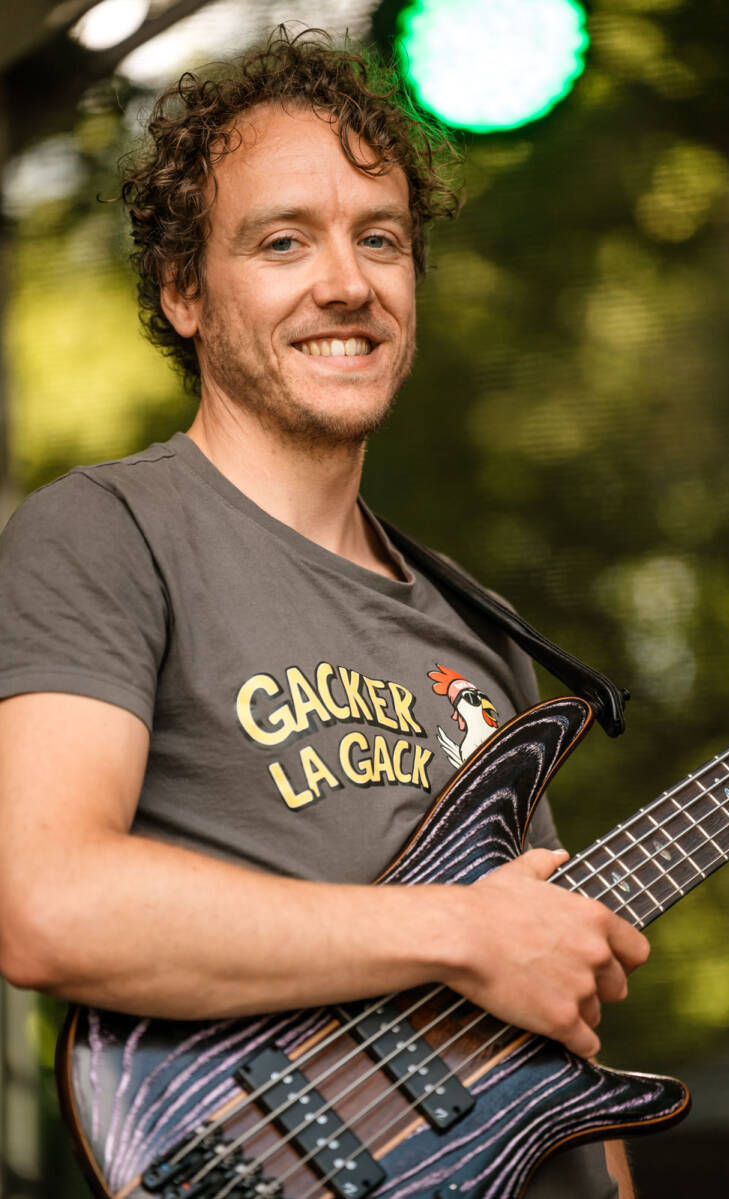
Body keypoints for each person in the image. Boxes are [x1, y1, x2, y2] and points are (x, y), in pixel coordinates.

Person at [0, 28, 649, 1199]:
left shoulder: (481, 630)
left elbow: (547, 1002)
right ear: (184, 291)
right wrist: (454, 929)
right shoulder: (105, 531)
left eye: (380, 239)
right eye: (284, 240)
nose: (347, 283)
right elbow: (47, 904)